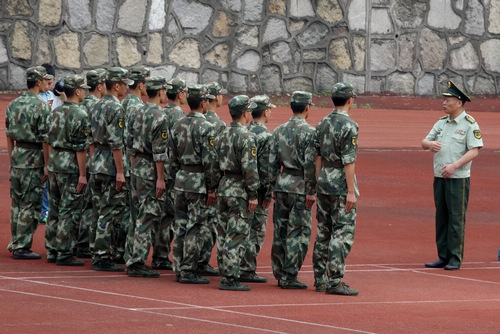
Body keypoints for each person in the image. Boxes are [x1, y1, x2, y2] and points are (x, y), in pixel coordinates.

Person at [422, 81, 483, 271]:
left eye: (448, 100)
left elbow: (474, 150)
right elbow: (425, 140)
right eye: (444, 99)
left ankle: (455, 257)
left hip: (458, 178)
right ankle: (443, 255)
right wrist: (428, 144)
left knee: (456, 218)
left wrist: (455, 165)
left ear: (459, 102)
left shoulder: (469, 124)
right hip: (439, 176)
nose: (444, 103)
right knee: (442, 217)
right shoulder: (441, 123)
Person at [169, 84, 220, 284]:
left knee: (180, 225)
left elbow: (172, 157)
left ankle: (179, 266)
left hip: (181, 179)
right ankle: (189, 270)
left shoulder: (178, 124)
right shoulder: (206, 127)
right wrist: (212, 187)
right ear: (203, 102)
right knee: (195, 227)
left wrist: (174, 178)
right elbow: (210, 161)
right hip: (198, 182)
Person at [312, 82, 360, 296]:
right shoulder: (349, 126)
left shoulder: (322, 123)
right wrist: (351, 190)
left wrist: (318, 182)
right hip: (340, 182)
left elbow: (318, 157)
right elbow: (349, 161)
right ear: (350, 100)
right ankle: (335, 280)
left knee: (323, 232)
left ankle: (320, 278)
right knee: (342, 232)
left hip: (324, 181)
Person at [268, 91, 316, 289]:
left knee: (280, 230)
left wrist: (272, 186)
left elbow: (272, 163)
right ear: (307, 108)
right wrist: (311, 190)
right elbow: (311, 164)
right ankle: (289, 275)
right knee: (299, 232)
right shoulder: (310, 132)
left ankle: (279, 271)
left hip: (282, 183)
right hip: (300, 185)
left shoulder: (278, 131)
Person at [5, 66, 53, 259]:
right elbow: (45, 139)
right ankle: (21, 246)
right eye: (44, 80)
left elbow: (9, 136)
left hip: (18, 156)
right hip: (33, 158)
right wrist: (47, 164)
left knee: (16, 202)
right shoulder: (41, 106)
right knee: (30, 204)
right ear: (39, 82)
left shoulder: (13, 104)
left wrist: (11, 160)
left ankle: (16, 240)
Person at [89, 67, 133, 271]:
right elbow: (116, 143)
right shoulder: (117, 108)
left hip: (96, 160)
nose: (126, 88)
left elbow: (90, 139)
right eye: (125, 84)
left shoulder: (96, 104)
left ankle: (96, 250)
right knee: (108, 212)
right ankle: (102, 256)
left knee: (98, 210)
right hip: (109, 164)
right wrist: (121, 171)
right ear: (117, 85)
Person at [126, 76, 170, 278]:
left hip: (137, 167)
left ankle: (131, 255)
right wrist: (160, 178)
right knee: (147, 217)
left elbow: (129, 143)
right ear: (160, 92)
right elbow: (160, 152)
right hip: (151, 170)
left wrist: (134, 166)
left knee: (136, 215)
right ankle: (137, 262)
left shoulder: (137, 111)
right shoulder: (160, 116)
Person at [215, 95, 259, 291]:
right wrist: (253, 194)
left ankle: (225, 270)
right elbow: (250, 168)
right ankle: (231, 277)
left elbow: (214, 164)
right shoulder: (247, 137)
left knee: (224, 233)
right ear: (244, 113)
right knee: (237, 234)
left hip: (224, 185)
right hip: (239, 188)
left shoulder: (221, 134)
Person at [44, 74, 90, 266]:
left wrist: (47, 165)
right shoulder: (80, 114)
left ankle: (52, 249)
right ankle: (64, 251)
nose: (86, 92)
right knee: (69, 211)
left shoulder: (55, 111)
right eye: (84, 89)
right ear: (77, 91)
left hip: (55, 163)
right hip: (70, 165)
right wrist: (82, 174)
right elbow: (80, 148)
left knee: (54, 208)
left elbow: (46, 141)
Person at [149, 77, 188, 271]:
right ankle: (161, 254)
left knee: (162, 214)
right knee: (169, 216)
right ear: (180, 94)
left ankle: (159, 253)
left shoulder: (162, 111)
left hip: (160, 168)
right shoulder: (180, 117)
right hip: (172, 171)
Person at [239, 94, 275, 283]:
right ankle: (247, 268)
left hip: (240, 187)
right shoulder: (266, 136)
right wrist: (268, 192)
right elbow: (266, 167)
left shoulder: (244, 130)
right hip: (258, 191)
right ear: (266, 111)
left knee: (240, 227)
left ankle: (236, 265)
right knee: (256, 230)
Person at [74, 68, 107, 259]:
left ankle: (77, 241)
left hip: (78, 157)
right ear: (101, 85)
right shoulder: (97, 106)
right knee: (92, 206)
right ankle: (86, 243)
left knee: (79, 204)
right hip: (92, 158)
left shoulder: (81, 104)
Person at [120, 66, 150, 265]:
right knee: (137, 214)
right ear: (141, 85)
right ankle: (132, 255)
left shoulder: (123, 103)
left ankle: (126, 252)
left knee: (130, 213)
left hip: (123, 159)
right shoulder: (137, 107)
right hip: (131, 162)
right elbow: (133, 141)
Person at [198, 82, 227, 277]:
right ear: (216, 98)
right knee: (209, 224)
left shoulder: (195, 119)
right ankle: (202, 260)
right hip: (208, 180)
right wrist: (214, 185)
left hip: (189, 178)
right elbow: (216, 159)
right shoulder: (217, 124)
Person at [38, 63, 57, 224]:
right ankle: (41, 209)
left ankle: (46, 209)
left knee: (48, 178)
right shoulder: (35, 98)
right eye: (46, 82)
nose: (47, 86)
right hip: (38, 144)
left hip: (50, 143)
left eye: (50, 83)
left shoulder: (53, 96)